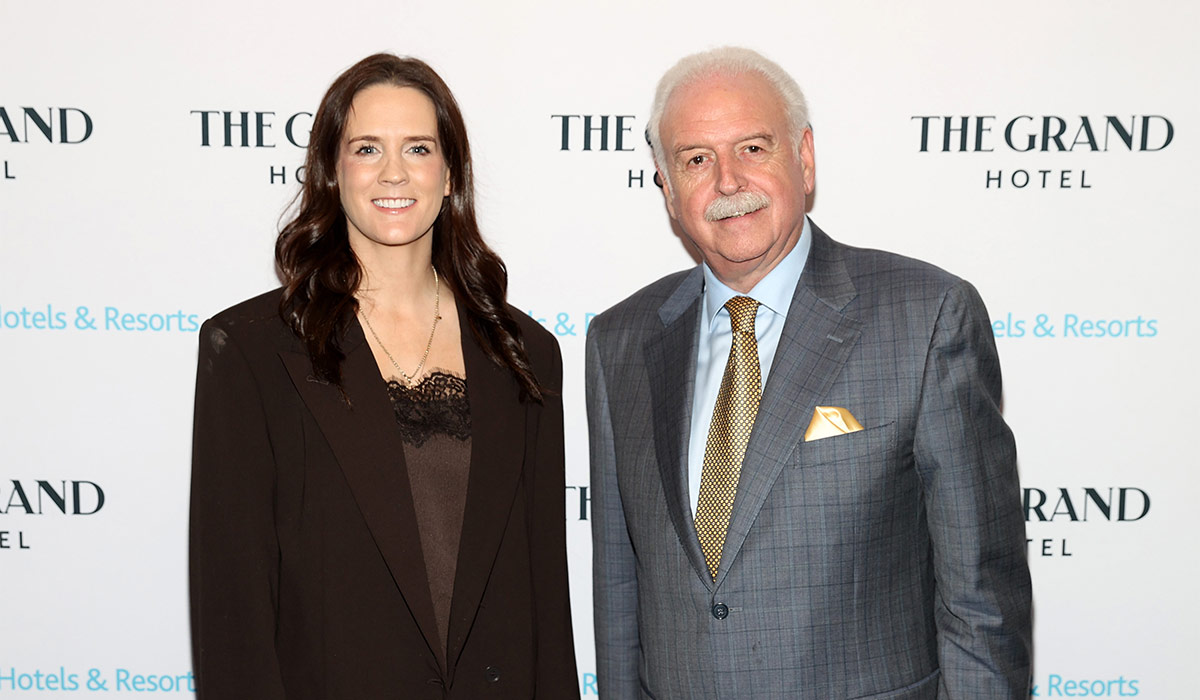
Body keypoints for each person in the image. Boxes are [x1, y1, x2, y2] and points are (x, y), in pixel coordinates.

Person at [587, 47, 1032, 699]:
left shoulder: (926, 316)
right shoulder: (620, 340)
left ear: (804, 157)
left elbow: (982, 603)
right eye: (696, 160)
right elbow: (618, 588)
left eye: (753, 148)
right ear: (668, 187)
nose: (728, 182)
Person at [189, 53, 579, 700]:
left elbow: (545, 593)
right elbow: (234, 611)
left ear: (449, 175)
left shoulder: (523, 351)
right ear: (331, 172)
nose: (394, 172)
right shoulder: (250, 351)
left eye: (418, 148)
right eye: (367, 148)